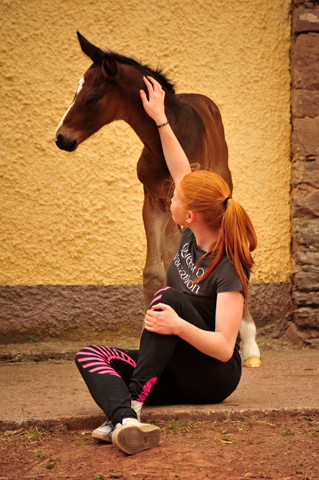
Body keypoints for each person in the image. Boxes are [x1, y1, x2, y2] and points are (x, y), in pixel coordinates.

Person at [76, 76, 257, 455]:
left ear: (190, 215)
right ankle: (125, 422)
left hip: (214, 376)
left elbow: (225, 348)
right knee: (91, 355)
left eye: (174, 199)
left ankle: (133, 407)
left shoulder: (229, 267)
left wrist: (176, 324)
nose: (168, 199)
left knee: (169, 298)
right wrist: (159, 118)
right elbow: (179, 166)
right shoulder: (193, 232)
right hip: (173, 367)